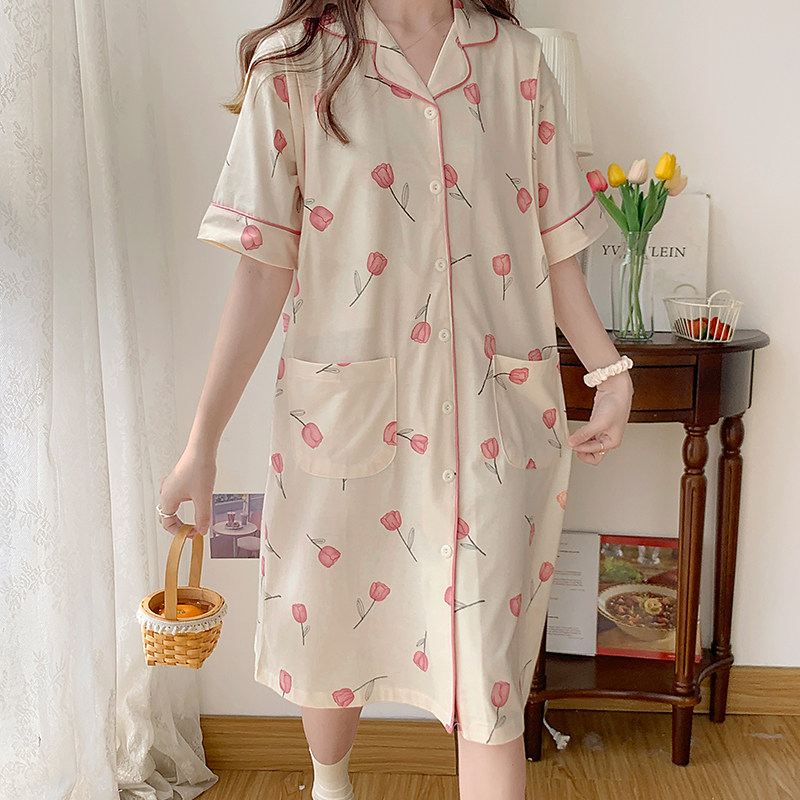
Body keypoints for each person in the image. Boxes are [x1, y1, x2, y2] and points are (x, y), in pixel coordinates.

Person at [157, 0, 634, 798]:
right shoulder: (295, 64)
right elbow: (264, 268)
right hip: (346, 414)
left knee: (488, 679)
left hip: (490, 421)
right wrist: (200, 444)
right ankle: (331, 783)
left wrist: (608, 373)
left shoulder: (516, 61)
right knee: (329, 626)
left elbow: (555, 241)